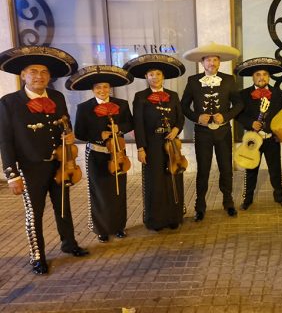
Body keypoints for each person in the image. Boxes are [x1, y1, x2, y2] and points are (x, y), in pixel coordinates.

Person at [0, 46, 89, 275]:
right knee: (35, 213)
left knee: (63, 207)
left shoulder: (57, 97)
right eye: (33, 71)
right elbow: (5, 141)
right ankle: (37, 256)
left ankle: (69, 244)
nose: (39, 76)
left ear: (49, 76)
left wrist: (69, 135)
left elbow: (65, 123)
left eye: (44, 72)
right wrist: (12, 176)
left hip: (59, 164)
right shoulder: (8, 102)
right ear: (23, 75)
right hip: (30, 168)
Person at [68, 65, 134, 243]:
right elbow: (80, 133)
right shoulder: (84, 108)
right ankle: (102, 228)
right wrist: (99, 135)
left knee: (118, 192)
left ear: (110, 88)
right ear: (92, 89)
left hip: (118, 154)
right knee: (100, 192)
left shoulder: (121, 104)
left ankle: (119, 226)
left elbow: (130, 123)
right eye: (98, 87)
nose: (102, 90)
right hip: (96, 155)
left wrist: (119, 128)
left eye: (105, 87)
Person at [181, 42, 244, 221]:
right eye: (208, 60)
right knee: (203, 169)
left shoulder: (228, 79)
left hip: (223, 132)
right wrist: (196, 117)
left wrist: (225, 116)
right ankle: (200, 206)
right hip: (203, 133)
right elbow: (184, 106)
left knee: (226, 169)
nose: (212, 63)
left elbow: (239, 104)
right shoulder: (193, 81)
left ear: (219, 62)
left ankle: (228, 202)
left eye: (215, 60)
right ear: (202, 63)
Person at [124, 54, 186, 231]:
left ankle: (174, 217)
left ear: (163, 77)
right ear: (146, 77)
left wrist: (176, 130)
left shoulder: (173, 95)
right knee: (155, 181)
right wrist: (141, 148)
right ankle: (156, 220)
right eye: (151, 74)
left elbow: (180, 118)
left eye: (158, 74)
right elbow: (138, 123)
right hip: (152, 144)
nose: (155, 77)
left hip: (172, 144)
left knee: (173, 177)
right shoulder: (140, 96)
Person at [234, 57, 282, 210]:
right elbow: (238, 115)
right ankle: (248, 199)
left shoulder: (278, 93)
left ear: (269, 77)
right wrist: (250, 122)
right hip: (252, 139)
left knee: (275, 170)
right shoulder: (243, 94)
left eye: (264, 74)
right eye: (258, 74)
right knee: (250, 170)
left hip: (272, 139)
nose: (261, 77)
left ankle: (280, 197)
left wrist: (279, 133)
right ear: (253, 77)